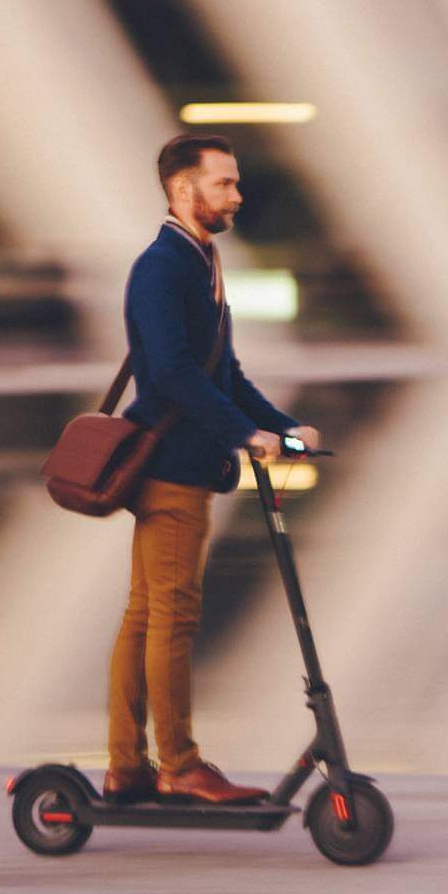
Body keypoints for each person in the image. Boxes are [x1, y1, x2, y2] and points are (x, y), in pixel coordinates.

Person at [105, 134, 319, 806]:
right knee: (170, 618)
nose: (237, 195)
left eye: (235, 183)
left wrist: (283, 428)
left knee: (146, 616)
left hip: (187, 463)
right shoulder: (162, 267)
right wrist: (244, 434)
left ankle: (126, 766)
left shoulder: (200, 262)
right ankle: (178, 765)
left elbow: (223, 373)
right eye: (224, 183)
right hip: (172, 469)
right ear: (182, 189)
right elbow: (170, 373)